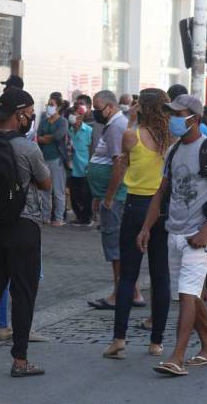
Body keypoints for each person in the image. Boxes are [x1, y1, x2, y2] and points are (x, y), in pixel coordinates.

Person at [139, 94, 207, 377]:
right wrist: (145, 227)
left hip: (197, 237)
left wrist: (205, 231)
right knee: (192, 294)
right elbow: (161, 192)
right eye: (171, 114)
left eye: (179, 114)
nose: (173, 119)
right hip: (174, 233)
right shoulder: (174, 151)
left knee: (187, 294)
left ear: (195, 119)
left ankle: (176, 356)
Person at [0, 87, 52, 378]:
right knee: (23, 293)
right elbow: (46, 183)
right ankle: (20, 360)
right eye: (30, 114)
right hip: (23, 227)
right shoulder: (28, 148)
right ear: (19, 115)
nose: (31, 119)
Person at [103, 88, 173, 360]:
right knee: (161, 274)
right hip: (163, 208)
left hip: (137, 205)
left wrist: (109, 198)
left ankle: (119, 338)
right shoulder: (171, 139)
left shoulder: (131, 135)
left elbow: (123, 165)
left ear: (142, 107)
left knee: (128, 274)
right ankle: (156, 341)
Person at [86, 90, 129, 310]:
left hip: (115, 197)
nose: (95, 112)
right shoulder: (113, 126)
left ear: (110, 107)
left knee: (115, 246)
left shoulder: (115, 128)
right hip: (110, 195)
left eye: (98, 108)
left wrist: (109, 197)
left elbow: (118, 165)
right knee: (117, 245)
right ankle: (132, 292)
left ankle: (118, 294)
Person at [37, 92, 70, 226]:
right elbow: (38, 136)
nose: (49, 107)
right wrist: (45, 138)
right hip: (43, 158)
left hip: (57, 158)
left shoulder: (62, 121)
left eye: (51, 105)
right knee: (45, 189)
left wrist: (46, 138)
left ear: (58, 107)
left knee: (58, 190)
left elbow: (58, 136)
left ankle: (58, 218)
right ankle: (45, 216)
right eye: (48, 105)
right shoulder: (44, 120)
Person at [67, 104, 94, 226]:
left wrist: (90, 164)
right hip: (72, 167)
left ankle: (86, 217)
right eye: (71, 115)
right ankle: (79, 216)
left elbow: (91, 148)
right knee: (74, 193)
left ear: (81, 117)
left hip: (85, 167)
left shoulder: (88, 130)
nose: (72, 117)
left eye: (75, 115)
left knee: (85, 194)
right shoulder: (69, 130)